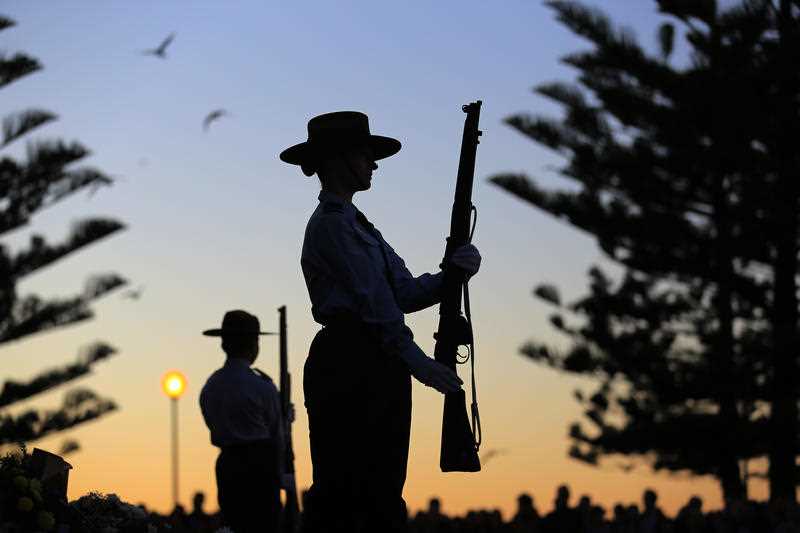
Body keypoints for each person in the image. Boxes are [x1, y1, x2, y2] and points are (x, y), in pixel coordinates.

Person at [280, 111, 481, 532]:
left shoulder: (360, 226)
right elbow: (378, 307)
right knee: (345, 491)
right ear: (338, 159)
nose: (373, 163)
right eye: (364, 153)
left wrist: (453, 275)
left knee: (383, 488)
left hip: (378, 359)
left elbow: (403, 294)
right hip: (349, 360)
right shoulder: (331, 227)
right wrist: (419, 363)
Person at [199, 309, 288, 533]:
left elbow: (213, 423)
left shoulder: (211, 386)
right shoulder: (262, 386)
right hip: (261, 470)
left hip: (228, 466)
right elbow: (277, 435)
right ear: (252, 344)